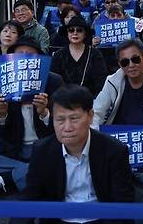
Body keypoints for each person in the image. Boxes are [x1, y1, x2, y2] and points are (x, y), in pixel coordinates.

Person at [13, 85, 134, 224]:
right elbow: (30, 197)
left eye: (74, 118)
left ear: (90, 116)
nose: (67, 127)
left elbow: (123, 202)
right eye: (60, 120)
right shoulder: (42, 151)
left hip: (100, 219)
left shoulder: (114, 150)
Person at [0, 37, 61, 193]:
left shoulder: (53, 81)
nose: (25, 57)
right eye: (20, 53)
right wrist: (1, 115)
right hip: (15, 149)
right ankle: (27, 171)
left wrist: (45, 113)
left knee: (62, 157)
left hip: (44, 147)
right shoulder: (4, 82)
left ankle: (5, 178)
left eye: (30, 53)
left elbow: (63, 127)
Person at [51, 16, 108, 97]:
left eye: (79, 30)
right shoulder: (58, 55)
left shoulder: (95, 54)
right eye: (71, 30)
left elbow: (101, 81)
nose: (75, 33)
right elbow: (54, 81)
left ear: (85, 34)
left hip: (89, 100)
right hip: (64, 100)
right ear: (67, 33)